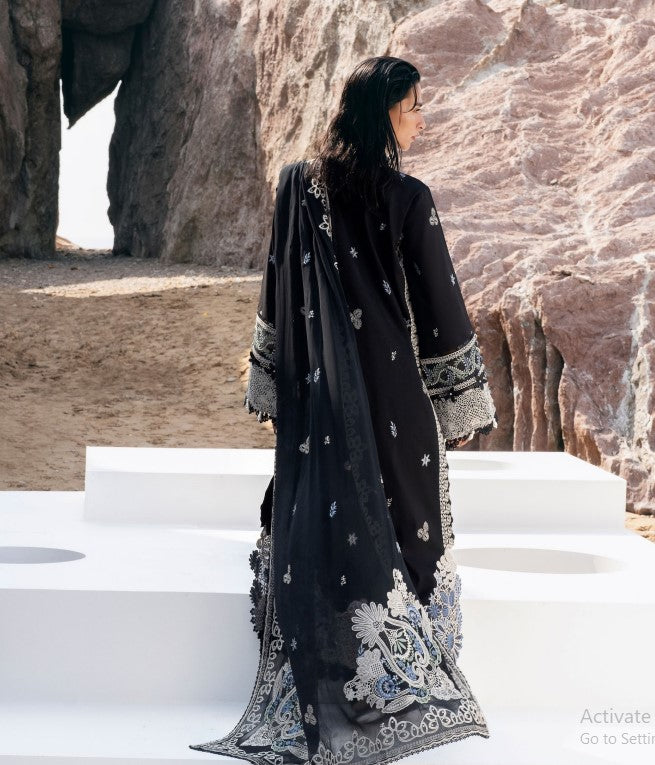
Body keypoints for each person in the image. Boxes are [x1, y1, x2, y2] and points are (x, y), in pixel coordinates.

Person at [190, 56, 497, 764]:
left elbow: (274, 289)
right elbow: (440, 306)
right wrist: (457, 401)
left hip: (317, 399)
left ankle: (341, 667)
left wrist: (273, 382)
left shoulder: (296, 186)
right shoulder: (408, 198)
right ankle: (390, 677)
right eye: (413, 108)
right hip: (394, 399)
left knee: (327, 519)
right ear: (383, 114)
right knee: (405, 523)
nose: (421, 122)